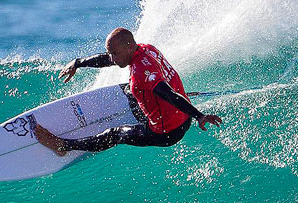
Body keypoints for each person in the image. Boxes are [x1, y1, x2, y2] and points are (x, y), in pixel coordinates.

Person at [33, 28, 222, 156]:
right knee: (131, 88)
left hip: (167, 132)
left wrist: (199, 116)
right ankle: (149, 106)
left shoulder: (140, 72)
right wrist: (78, 63)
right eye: (111, 53)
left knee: (114, 134)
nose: (112, 58)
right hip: (183, 118)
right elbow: (108, 60)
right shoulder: (146, 49)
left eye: (115, 53)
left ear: (129, 46)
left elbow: (168, 94)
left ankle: (63, 146)